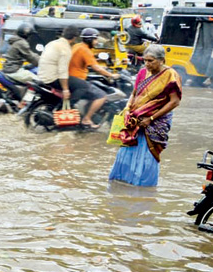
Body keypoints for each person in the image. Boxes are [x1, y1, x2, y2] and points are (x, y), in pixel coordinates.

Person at [109, 44, 181, 187]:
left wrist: (151, 118)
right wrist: (128, 108)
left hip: (156, 121)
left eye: (151, 61)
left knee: (148, 155)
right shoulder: (142, 73)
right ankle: (123, 182)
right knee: (126, 150)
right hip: (136, 120)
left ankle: (143, 186)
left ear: (161, 60)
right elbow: (134, 93)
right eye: (145, 60)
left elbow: (174, 102)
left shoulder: (170, 76)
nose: (147, 64)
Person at [69, 27, 120, 128]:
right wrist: (111, 75)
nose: (97, 42)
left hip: (70, 78)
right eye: (95, 39)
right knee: (101, 96)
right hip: (76, 80)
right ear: (89, 40)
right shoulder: (85, 50)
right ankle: (86, 119)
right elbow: (97, 68)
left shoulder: (77, 46)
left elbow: (84, 61)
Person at [37, 25, 80, 109]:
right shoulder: (65, 49)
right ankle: (66, 109)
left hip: (42, 76)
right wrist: (65, 89)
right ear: (74, 38)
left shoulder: (52, 43)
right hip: (52, 78)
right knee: (83, 86)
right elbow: (62, 71)